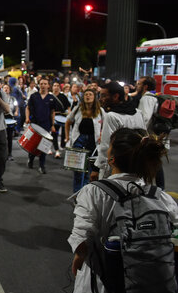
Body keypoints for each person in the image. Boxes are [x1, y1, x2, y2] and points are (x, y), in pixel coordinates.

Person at [68, 128, 178, 293]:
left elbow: (82, 238)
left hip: (103, 283)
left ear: (111, 160)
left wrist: (79, 257)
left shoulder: (94, 192)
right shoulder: (161, 197)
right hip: (150, 284)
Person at [90, 81, 146, 181]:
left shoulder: (112, 116)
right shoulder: (138, 112)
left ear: (115, 96)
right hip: (138, 166)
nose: (100, 99)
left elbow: (106, 147)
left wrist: (96, 169)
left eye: (103, 96)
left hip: (117, 168)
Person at [65, 89, 105, 192]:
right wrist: (68, 137)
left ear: (94, 97)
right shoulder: (78, 108)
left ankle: (85, 194)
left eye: (90, 94)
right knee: (78, 170)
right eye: (86, 94)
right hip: (79, 139)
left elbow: (106, 125)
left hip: (93, 142)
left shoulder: (100, 111)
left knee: (89, 170)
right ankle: (77, 194)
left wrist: (102, 134)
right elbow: (68, 122)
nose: (88, 96)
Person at [25, 77, 56, 174]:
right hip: (34, 123)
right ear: (39, 85)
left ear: (48, 85)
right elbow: (28, 108)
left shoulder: (51, 98)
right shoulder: (34, 96)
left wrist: (53, 125)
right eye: (41, 83)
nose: (43, 85)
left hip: (46, 124)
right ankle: (31, 158)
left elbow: (52, 112)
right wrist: (27, 118)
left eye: (45, 84)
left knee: (44, 146)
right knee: (33, 144)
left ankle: (42, 165)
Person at [51, 81, 71, 158]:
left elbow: (68, 106)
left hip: (62, 116)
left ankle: (62, 145)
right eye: (54, 85)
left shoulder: (63, 96)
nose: (56, 87)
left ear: (59, 87)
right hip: (53, 117)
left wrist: (69, 113)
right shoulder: (50, 96)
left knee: (64, 133)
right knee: (54, 133)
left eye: (57, 85)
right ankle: (56, 151)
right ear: (52, 87)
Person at [2, 84, 18, 161]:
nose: (6, 89)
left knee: (9, 137)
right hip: (2, 118)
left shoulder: (12, 98)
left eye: (7, 88)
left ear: (9, 90)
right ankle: (2, 153)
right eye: (4, 88)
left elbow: (16, 106)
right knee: (2, 137)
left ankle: (10, 153)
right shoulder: (0, 98)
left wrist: (16, 112)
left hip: (10, 117)